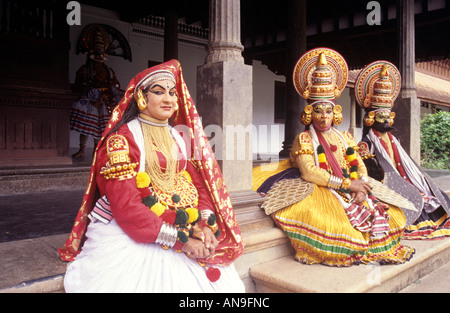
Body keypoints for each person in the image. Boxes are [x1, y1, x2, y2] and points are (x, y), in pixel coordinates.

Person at [59, 59, 245, 292]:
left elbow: (200, 186)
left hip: (185, 219)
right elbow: (127, 207)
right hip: (133, 227)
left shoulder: (179, 137)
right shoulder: (121, 142)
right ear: (141, 98)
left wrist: (205, 226)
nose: (169, 99)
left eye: (172, 93)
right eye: (159, 92)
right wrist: (183, 242)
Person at [252, 48, 415, 266]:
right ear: (310, 113)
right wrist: (348, 185)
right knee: (331, 224)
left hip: (352, 184)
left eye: (328, 111)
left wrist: (363, 186)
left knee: (392, 215)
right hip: (322, 185)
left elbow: (359, 164)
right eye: (318, 111)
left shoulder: (345, 137)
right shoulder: (305, 139)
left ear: (335, 112)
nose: (323, 117)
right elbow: (310, 172)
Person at [355, 60, 450, 240]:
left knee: (430, 192)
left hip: (403, 177)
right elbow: (368, 171)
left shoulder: (392, 139)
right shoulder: (366, 143)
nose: (386, 121)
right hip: (386, 183)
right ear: (371, 118)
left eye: (387, 116)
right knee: (414, 198)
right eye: (381, 116)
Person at [70, 24, 124, 160]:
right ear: (91, 52)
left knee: (100, 128)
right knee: (87, 127)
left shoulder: (109, 71)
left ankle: (96, 151)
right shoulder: (85, 69)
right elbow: (79, 84)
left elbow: (116, 85)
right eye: (97, 51)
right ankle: (82, 150)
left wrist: (113, 90)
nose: (100, 54)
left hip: (106, 102)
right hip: (91, 101)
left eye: (102, 51)